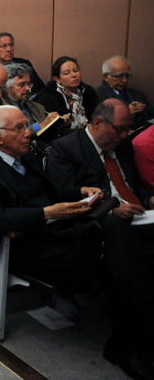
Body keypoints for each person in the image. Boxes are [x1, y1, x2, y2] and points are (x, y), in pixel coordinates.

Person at [45, 99, 154, 379]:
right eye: (118, 130)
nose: (124, 136)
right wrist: (110, 205)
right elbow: (63, 193)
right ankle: (131, 341)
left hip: (140, 216)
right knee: (119, 235)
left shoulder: (123, 145)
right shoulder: (66, 148)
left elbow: (133, 184)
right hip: (99, 225)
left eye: (127, 130)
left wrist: (149, 197)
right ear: (97, 124)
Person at [2, 63, 64, 149]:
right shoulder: (1, 109)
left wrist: (59, 124)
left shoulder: (38, 107)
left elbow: (47, 134)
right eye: (22, 85)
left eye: (29, 84)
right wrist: (40, 126)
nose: (28, 89)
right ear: (7, 87)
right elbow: (13, 136)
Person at [34, 56, 98, 130]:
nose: (74, 75)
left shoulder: (88, 91)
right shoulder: (48, 95)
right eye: (67, 73)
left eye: (75, 70)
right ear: (57, 79)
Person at [96, 55, 154, 130]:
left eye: (127, 75)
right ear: (106, 76)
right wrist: (127, 114)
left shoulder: (138, 95)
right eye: (119, 76)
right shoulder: (96, 95)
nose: (125, 80)